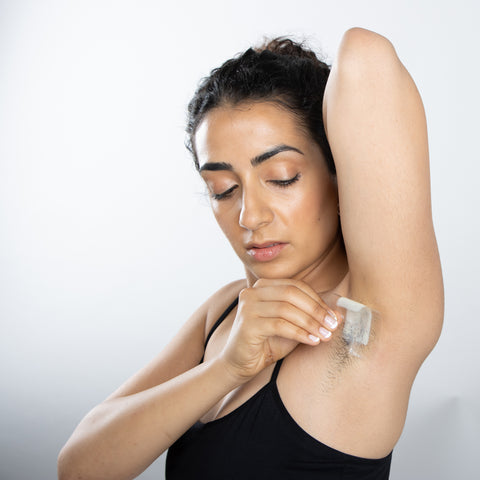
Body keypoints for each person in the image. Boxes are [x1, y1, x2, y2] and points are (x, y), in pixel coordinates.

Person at [57, 27, 444, 480]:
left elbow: (366, 57)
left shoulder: (372, 323)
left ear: (341, 172)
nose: (249, 216)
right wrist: (227, 369)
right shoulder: (224, 313)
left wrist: (281, 68)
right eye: (223, 189)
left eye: (281, 177)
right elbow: (79, 467)